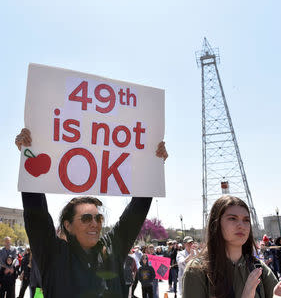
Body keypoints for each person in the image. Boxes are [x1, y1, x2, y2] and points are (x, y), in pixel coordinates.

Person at [15, 128, 168, 298]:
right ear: (68, 225)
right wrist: (28, 153)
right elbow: (36, 214)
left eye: (98, 218)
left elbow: (135, 213)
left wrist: (154, 166)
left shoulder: (111, 248)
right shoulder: (53, 254)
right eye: (86, 218)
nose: (94, 223)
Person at [182, 195, 281, 298]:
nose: (241, 225)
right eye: (232, 218)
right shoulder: (197, 270)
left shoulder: (258, 268)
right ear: (216, 224)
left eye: (246, 220)